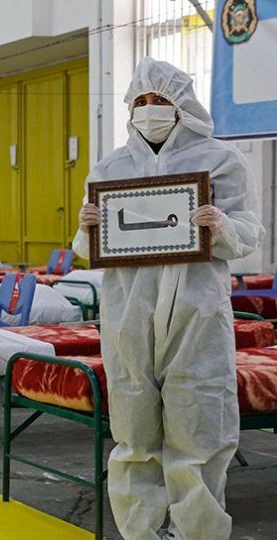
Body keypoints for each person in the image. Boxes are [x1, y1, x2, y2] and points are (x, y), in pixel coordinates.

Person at [73, 58, 264, 540]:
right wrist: (87, 230)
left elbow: (250, 231)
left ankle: (196, 532)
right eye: (140, 101)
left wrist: (221, 225)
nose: (149, 108)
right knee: (133, 424)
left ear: (182, 105)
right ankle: (140, 531)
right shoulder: (111, 167)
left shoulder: (220, 160)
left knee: (198, 423)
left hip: (196, 310)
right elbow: (88, 247)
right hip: (128, 310)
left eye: (159, 99)